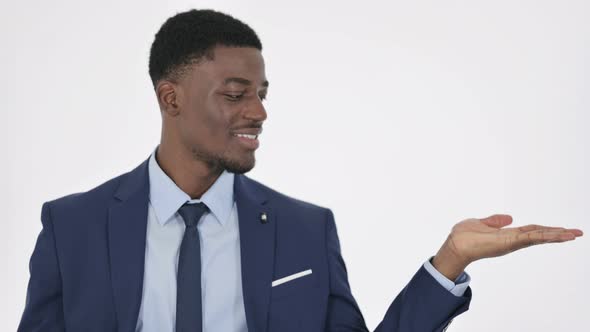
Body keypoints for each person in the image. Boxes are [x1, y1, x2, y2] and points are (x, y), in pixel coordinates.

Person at [17, 9, 583, 332]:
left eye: (261, 94)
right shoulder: (74, 227)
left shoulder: (305, 230)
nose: (258, 112)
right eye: (236, 94)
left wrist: (449, 262)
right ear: (171, 99)